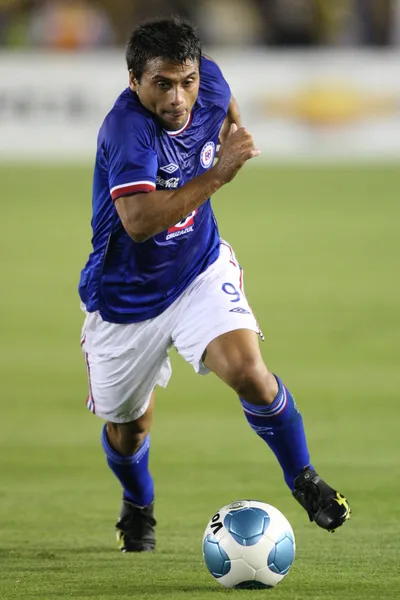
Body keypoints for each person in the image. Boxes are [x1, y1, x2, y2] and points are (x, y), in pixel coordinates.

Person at [79, 16, 350, 553]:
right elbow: (138, 221)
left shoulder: (212, 83)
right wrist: (221, 171)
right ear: (135, 80)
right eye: (162, 83)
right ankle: (138, 504)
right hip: (125, 299)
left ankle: (304, 479)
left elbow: (225, 113)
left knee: (248, 372)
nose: (179, 97)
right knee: (128, 429)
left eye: (187, 81)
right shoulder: (125, 128)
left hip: (199, 268)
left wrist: (229, 135)